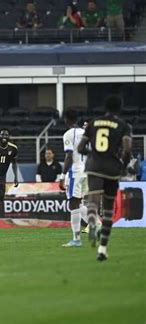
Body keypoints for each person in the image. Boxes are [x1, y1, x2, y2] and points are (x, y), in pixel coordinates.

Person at [77, 96, 132, 261]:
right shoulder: (123, 126)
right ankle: (102, 250)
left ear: (105, 107)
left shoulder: (93, 123)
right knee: (108, 210)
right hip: (112, 168)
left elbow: (80, 148)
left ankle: (92, 222)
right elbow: (127, 149)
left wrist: (93, 155)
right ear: (119, 108)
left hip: (94, 166)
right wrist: (123, 165)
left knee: (92, 201)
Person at [59, 111, 97, 247]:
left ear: (66, 120)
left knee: (73, 204)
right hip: (87, 171)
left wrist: (62, 175)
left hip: (75, 172)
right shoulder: (87, 133)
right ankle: (94, 225)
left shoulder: (69, 134)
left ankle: (76, 239)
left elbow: (69, 156)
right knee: (78, 203)